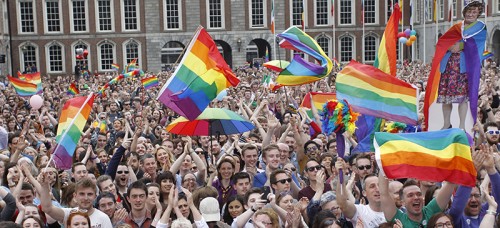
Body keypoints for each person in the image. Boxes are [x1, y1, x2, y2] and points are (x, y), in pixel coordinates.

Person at [435, 0, 486, 130]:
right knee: (446, 97)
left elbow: (478, 45)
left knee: (462, 97)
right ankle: (446, 123)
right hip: (449, 65)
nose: (471, 14)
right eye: (469, 11)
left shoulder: (480, 27)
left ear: (478, 14)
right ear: (464, 13)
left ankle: (462, 125)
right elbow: (443, 41)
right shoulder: (457, 26)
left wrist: (461, 45)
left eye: (474, 12)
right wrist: (449, 46)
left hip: (464, 67)